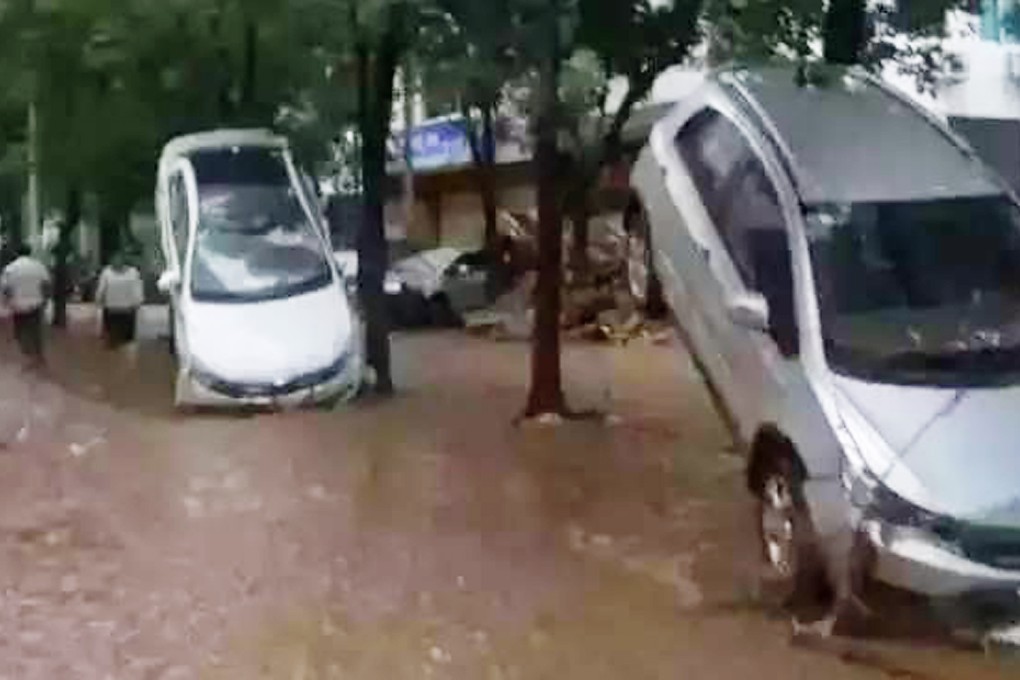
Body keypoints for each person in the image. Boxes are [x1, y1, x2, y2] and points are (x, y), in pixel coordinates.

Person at [0, 244, 51, 365]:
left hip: (18, 304)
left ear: (16, 253)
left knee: (20, 331)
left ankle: (29, 354)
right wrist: (46, 300)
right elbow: (46, 285)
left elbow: (6, 288)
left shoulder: (10, 268)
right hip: (36, 303)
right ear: (30, 252)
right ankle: (39, 355)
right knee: (36, 330)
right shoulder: (39, 266)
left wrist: (7, 303)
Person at [95, 253, 144, 354]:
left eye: (119, 260)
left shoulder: (133, 272)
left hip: (128, 310)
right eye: (114, 260)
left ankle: (127, 362)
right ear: (111, 262)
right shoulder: (106, 272)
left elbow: (137, 288)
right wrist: (98, 300)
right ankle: (112, 362)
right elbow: (101, 289)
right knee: (111, 340)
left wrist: (138, 301)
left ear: (124, 261)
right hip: (111, 310)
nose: (117, 262)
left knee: (127, 340)